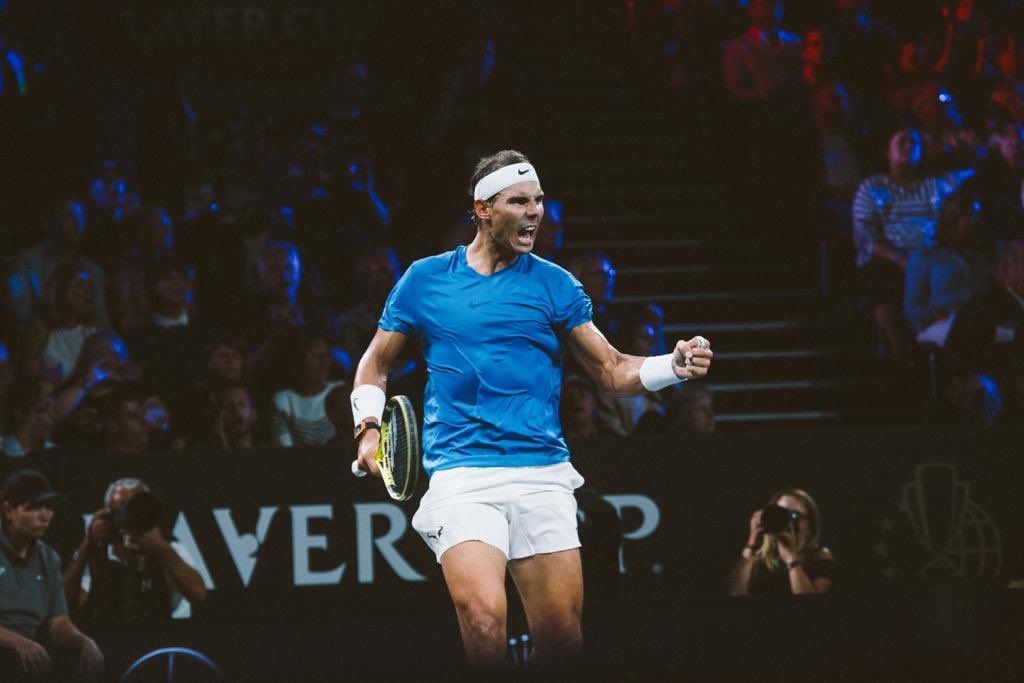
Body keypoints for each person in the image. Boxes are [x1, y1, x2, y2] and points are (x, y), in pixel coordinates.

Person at [352, 150, 712, 670]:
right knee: (483, 622)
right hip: (461, 475)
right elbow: (375, 364)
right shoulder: (425, 280)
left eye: (538, 201)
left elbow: (611, 370)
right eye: (519, 202)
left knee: (562, 638)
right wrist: (367, 428)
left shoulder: (555, 284)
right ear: (483, 209)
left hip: (541, 474)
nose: (535, 212)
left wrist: (671, 366)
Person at [0, 470, 104, 680]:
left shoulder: (48, 558)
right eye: (34, 507)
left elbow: (57, 621)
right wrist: (18, 642)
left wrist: (84, 641)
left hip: (27, 656)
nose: (45, 516)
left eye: (49, 507)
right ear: (8, 510)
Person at [62, 477, 207, 623]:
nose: (127, 518)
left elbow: (198, 595)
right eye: (118, 511)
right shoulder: (98, 552)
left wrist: (161, 548)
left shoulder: (171, 548)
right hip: (110, 631)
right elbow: (66, 605)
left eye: (134, 511)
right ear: (106, 514)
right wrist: (87, 544)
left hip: (160, 631)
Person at [728, 488, 834, 596]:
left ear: (810, 526)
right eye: (781, 514)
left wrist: (791, 559)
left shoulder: (819, 555)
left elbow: (811, 603)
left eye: (794, 515)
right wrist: (752, 541)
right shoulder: (760, 556)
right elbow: (736, 592)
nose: (787, 521)